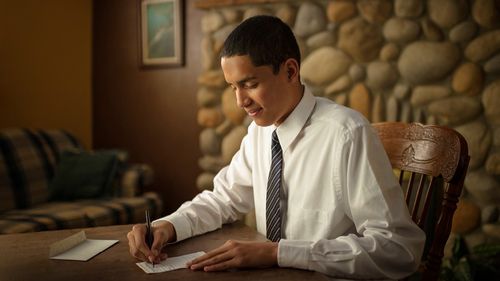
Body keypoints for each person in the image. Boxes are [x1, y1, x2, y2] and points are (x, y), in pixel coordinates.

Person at [127, 15, 425, 280]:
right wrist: (168, 226)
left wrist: (278, 253)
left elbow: (398, 248)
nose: (240, 101)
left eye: (250, 84)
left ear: (291, 71)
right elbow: (223, 199)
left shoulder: (347, 134)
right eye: (233, 87)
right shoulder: (260, 132)